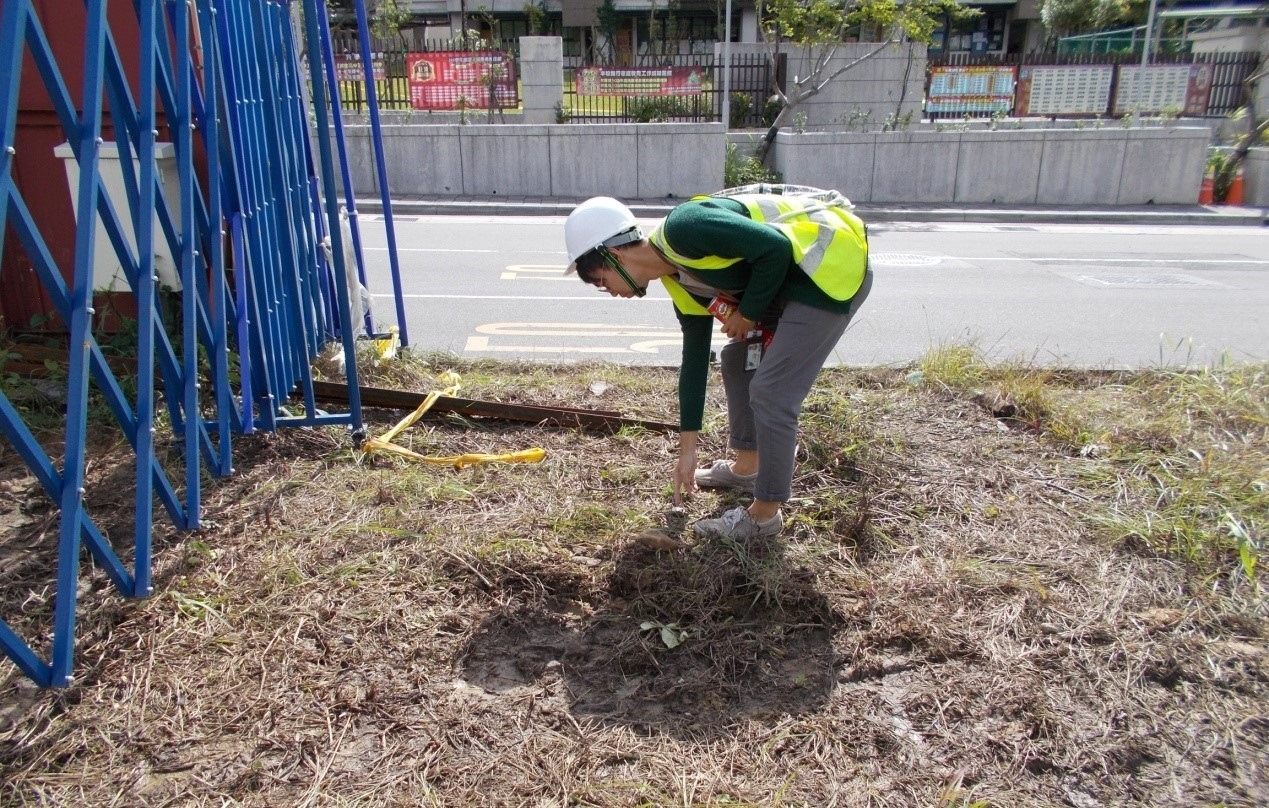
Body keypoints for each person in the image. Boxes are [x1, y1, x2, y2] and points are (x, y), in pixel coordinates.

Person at [563, 187, 873, 542]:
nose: (611, 292)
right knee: (737, 359)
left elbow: (775, 248)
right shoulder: (679, 281)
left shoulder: (685, 228)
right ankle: (746, 467)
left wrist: (748, 313)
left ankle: (764, 516)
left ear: (614, 254)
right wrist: (687, 453)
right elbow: (694, 363)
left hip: (829, 269)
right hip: (792, 282)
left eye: (603, 281)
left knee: (773, 391)